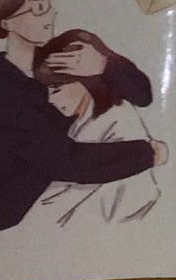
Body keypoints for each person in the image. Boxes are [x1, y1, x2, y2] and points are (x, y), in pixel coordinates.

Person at [0, 0, 164, 236]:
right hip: (21, 228)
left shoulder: (57, 56)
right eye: (38, 9)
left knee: (119, 115)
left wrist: (105, 65)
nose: (50, 15)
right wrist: (149, 153)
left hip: (69, 207)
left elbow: (143, 95)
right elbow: (66, 161)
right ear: (7, 23)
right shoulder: (2, 93)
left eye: (49, 6)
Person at [34, 30, 163, 227]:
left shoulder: (116, 121)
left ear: (86, 82)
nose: (51, 100)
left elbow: (80, 180)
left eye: (57, 89)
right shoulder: (83, 121)